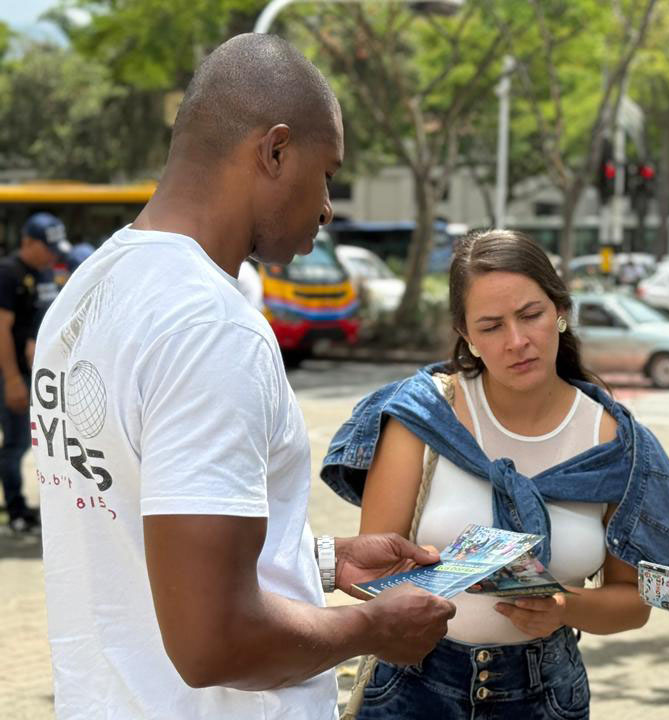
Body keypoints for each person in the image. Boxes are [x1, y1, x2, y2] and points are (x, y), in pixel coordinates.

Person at [35, 34, 454, 719]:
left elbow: (144, 533)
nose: (327, 206)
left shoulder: (90, 290)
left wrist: (319, 562)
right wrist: (373, 629)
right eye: (327, 173)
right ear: (276, 151)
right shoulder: (211, 327)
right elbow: (215, 644)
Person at [321, 229, 669, 719]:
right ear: (467, 335)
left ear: (561, 311)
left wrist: (562, 607)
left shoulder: (617, 443)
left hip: (545, 694)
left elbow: (633, 603)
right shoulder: (423, 415)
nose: (517, 342)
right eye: (491, 326)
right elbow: (375, 575)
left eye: (531, 315)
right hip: (414, 685)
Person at [0, 212, 70, 534]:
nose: (52, 255)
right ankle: (16, 510)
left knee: (30, 442)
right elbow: (2, 327)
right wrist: (13, 379)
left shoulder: (43, 273)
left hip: (32, 373)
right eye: (47, 248)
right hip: (10, 372)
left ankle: (22, 508)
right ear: (27, 242)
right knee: (15, 444)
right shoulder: (8, 272)